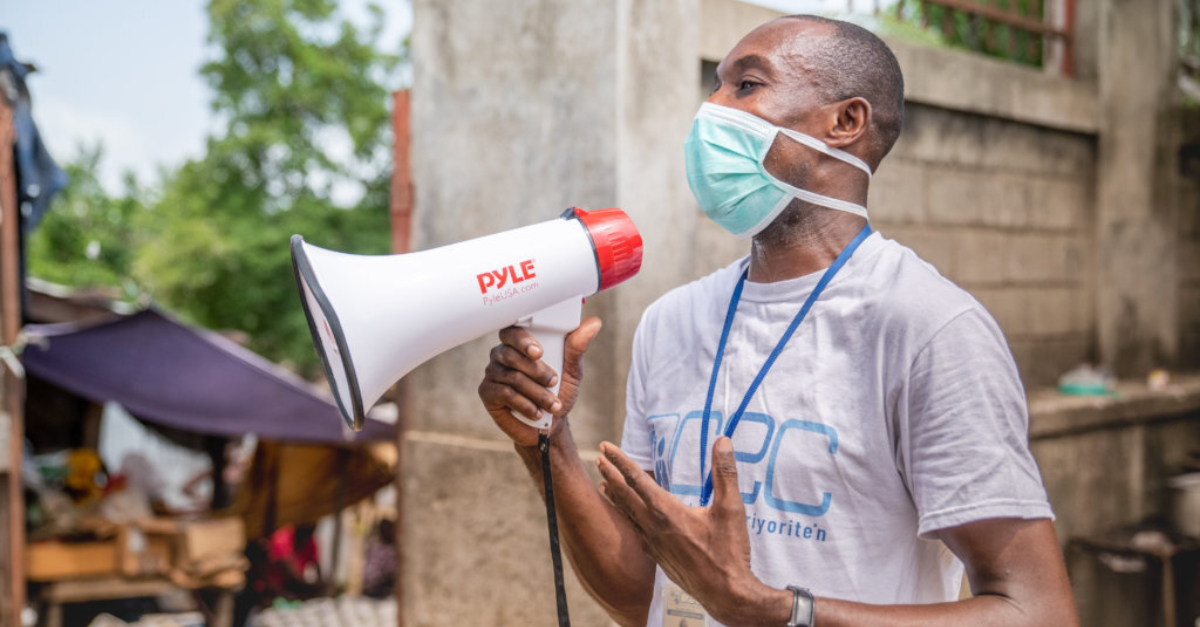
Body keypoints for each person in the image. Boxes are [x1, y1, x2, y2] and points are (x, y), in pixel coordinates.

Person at [478, 14, 1078, 627]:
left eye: (746, 85)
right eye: (715, 86)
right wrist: (544, 441)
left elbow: (1038, 612)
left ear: (845, 122)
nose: (711, 108)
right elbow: (642, 597)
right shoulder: (671, 322)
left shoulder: (928, 328)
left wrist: (775, 610)